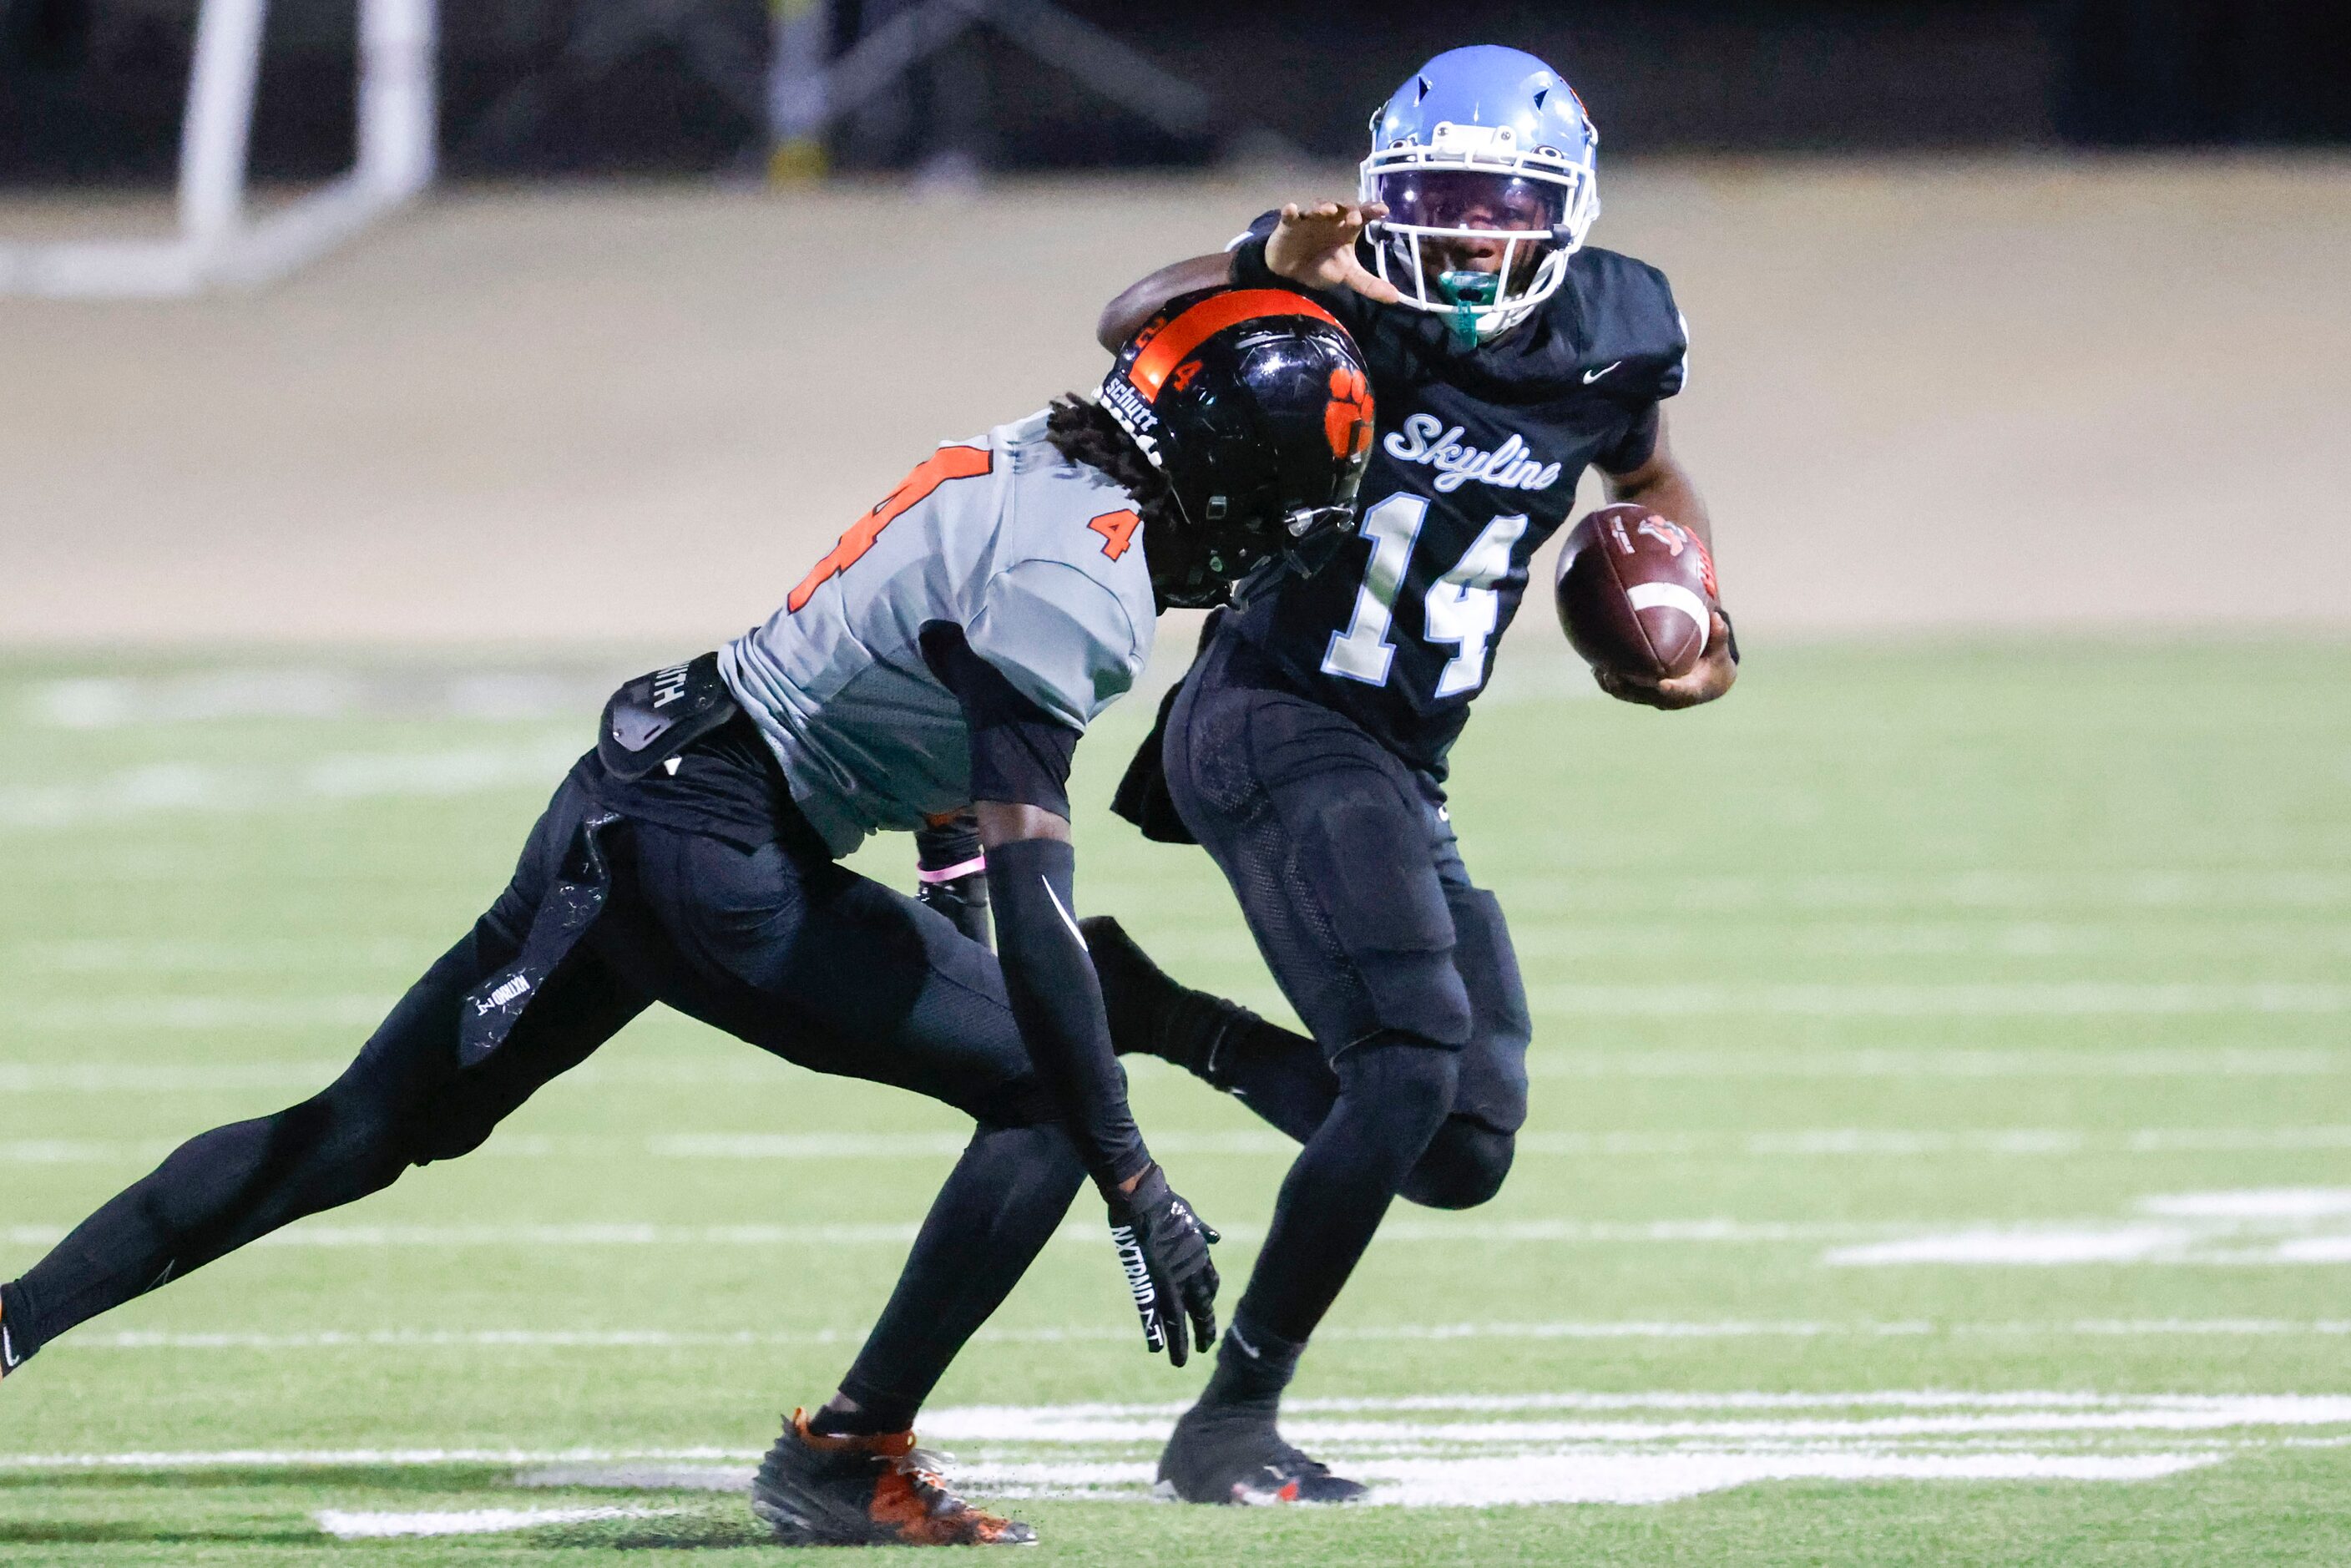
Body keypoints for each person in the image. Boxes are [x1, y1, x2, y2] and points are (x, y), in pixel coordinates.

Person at [0, 291, 1378, 1547]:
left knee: (365, 1125)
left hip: (642, 779)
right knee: (1046, 1087)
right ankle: (850, 1451)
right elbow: (1032, 908)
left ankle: (11, 1325)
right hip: (723, 851)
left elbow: (1132, 330)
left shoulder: (1054, 450)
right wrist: (1136, 1182)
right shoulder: (1083, 584)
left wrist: (1263, 265)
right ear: (1225, 484)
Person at [1084, 45, 1741, 1505]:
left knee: (1459, 1142)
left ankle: (1144, 1010)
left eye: (1498, 205)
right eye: (1434, 201)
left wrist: (1695, 610)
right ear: (1383, 198)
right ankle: (1229, 1426)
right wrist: (1266, 257)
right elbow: (1134, 319)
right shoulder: (1342, 301)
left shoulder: (1615, 331)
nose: (1464, 236)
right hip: (1270, 711)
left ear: (1562, 212)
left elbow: (1645, 471)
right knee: (1407, 1056)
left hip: (1398, 760)